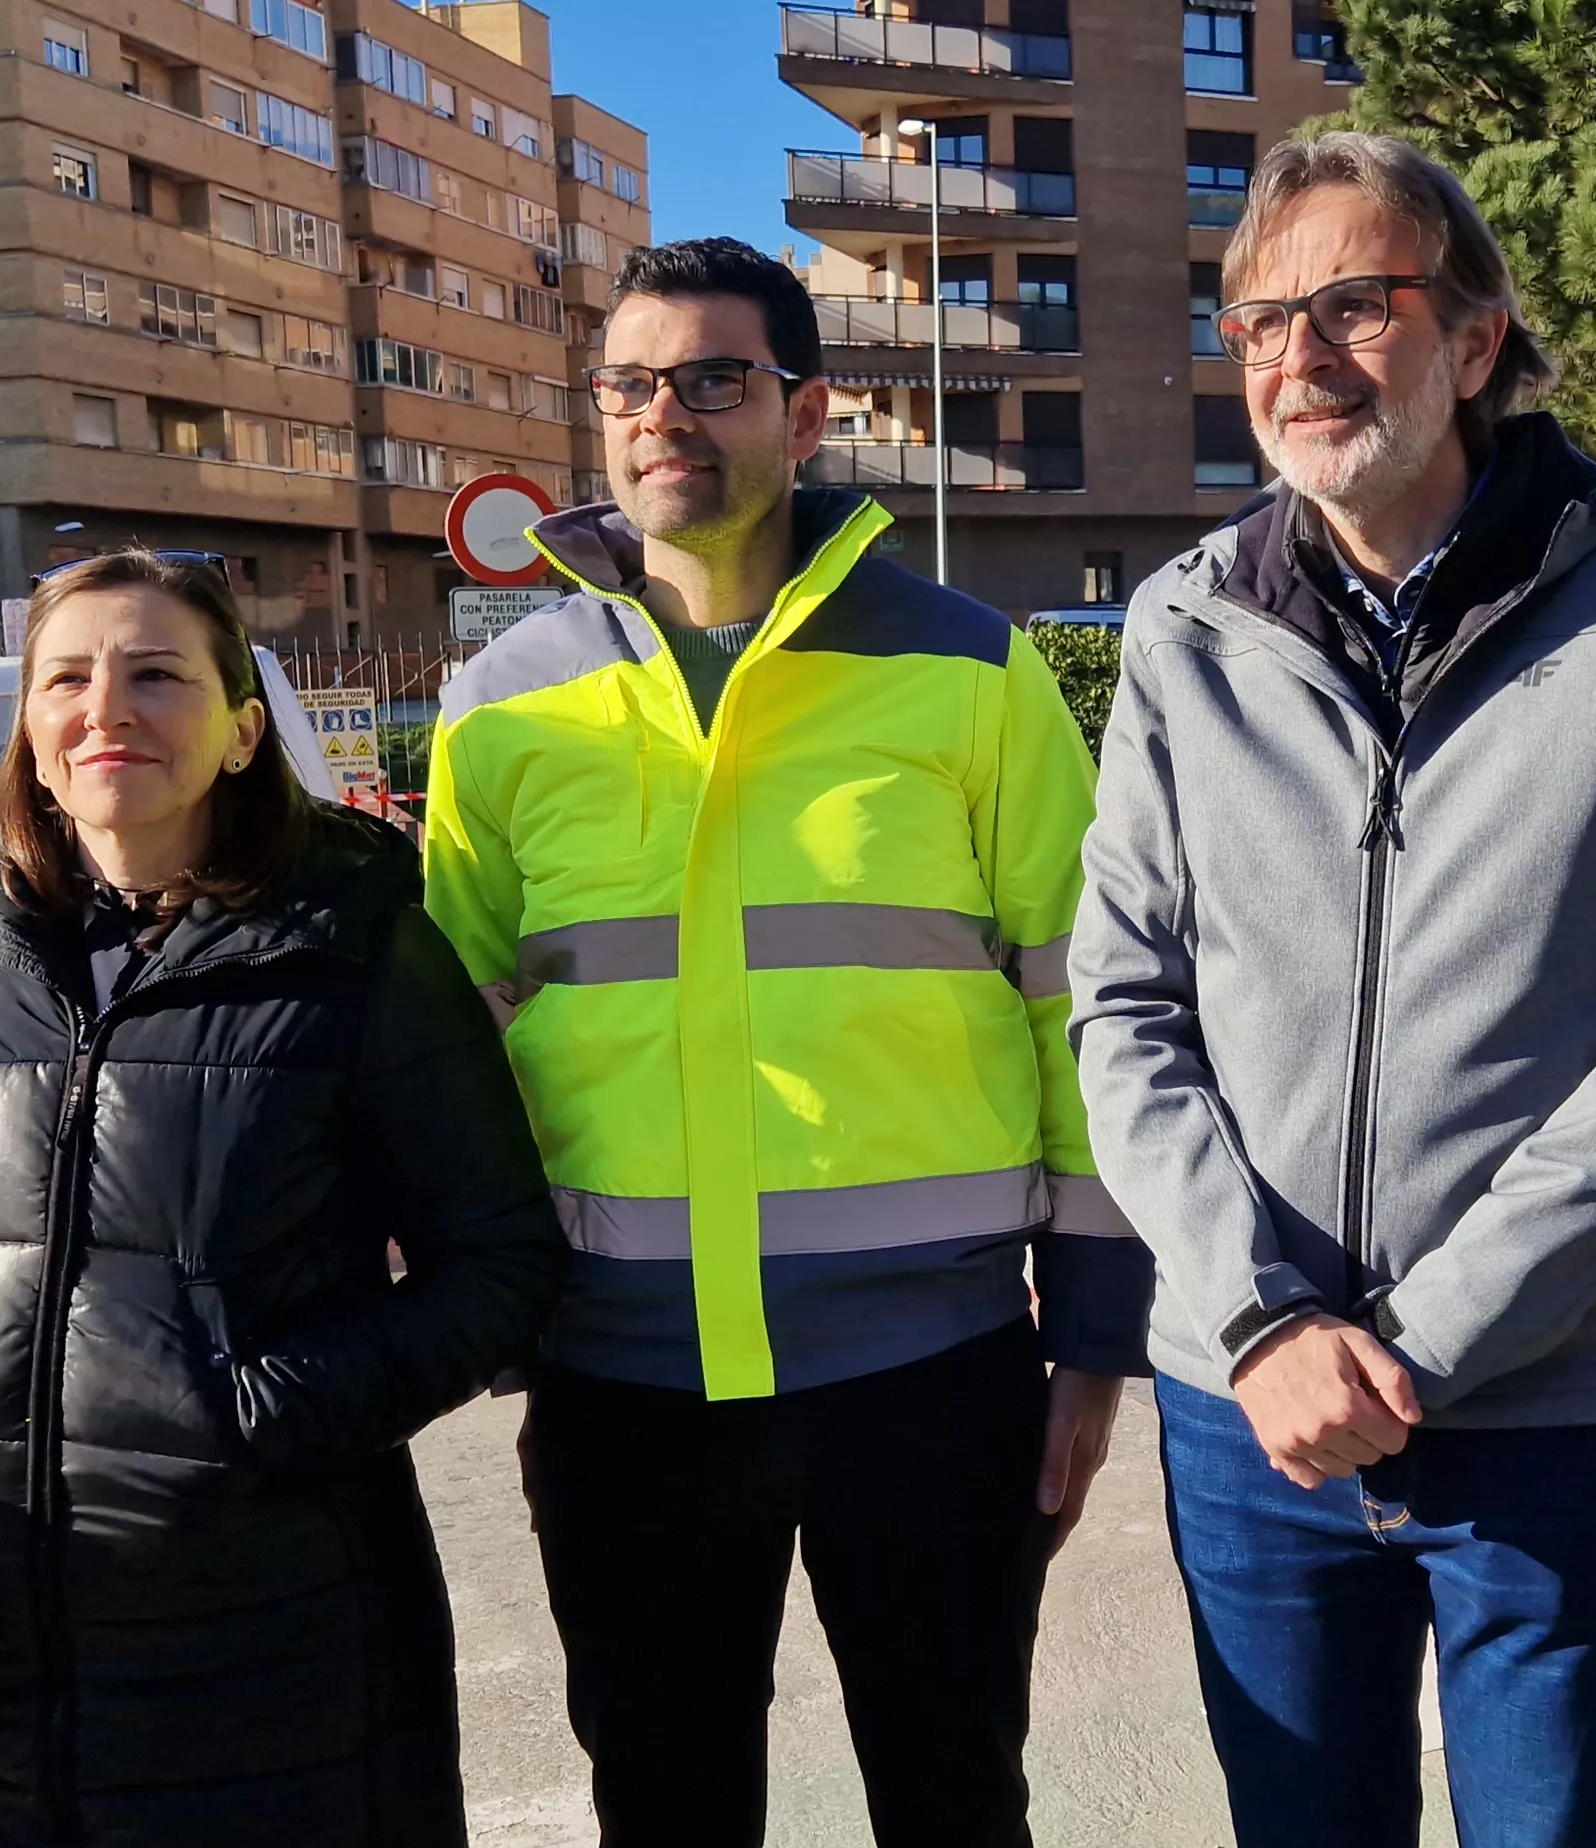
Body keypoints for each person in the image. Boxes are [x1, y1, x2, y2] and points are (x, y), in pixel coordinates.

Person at [1071, 130, 1596, 1847]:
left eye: (1355, 303)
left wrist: (1418, 1338)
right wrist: (1263, 1322)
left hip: (1559, 1403)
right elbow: (1126, 1005)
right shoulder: (1187, 622)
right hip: (1252, 1409)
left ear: (1475, 342)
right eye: (1260, 321)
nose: (1301, 357)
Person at [420, 237, 1139, 1846]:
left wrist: (1091, 1334)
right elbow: (447, 1043)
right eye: (630, 384)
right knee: (666, 1812)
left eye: (714, 380)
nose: (665, 414)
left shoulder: (970, 671)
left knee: (956, 1801)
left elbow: (1079, 1003)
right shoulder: (505, 705)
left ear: (808, 414)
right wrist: (480, 1313)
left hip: (932, 1378)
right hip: (621, 1388)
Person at [0, 551, 565, 1846]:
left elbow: (500, 1268)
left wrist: (251, 1412)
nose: (106, 707)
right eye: (68, 678)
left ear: (240, 734)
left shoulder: (356, 947)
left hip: (272, 1651)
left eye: (156, 674)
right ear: (32, 733)